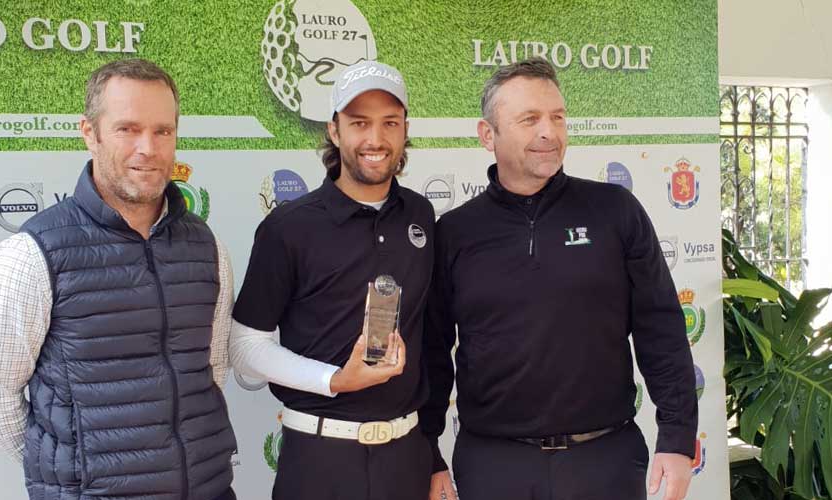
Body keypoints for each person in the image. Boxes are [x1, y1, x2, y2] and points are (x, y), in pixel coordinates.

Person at [421, 57, 697, 500]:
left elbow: (661, 329)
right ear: (487, 135)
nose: (549, 131)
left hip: (606, 461)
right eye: (529, 119)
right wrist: (429, 456)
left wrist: (678, 439)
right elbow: (432, 354)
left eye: (558, 117)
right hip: (493, 467)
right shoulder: (454, 232)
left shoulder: (615, 211)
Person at [0, 58, 237, 500]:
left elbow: (213, 369)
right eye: (127, 129)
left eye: (163, 131)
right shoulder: (31, 254)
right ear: (89, 133)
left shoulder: (205, 245)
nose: (148, 147)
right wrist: (72, 471)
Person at [230, 60, 435, 500]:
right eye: (359, 123)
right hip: (319, 459)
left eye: (389, 123)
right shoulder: (289, 227)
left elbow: (432, 338)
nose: (376, 140)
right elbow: (245, 350)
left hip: (408, 459)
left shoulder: (421, 215)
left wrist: (434, 458)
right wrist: (336, 379)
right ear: (335, 130)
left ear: (404, 131)